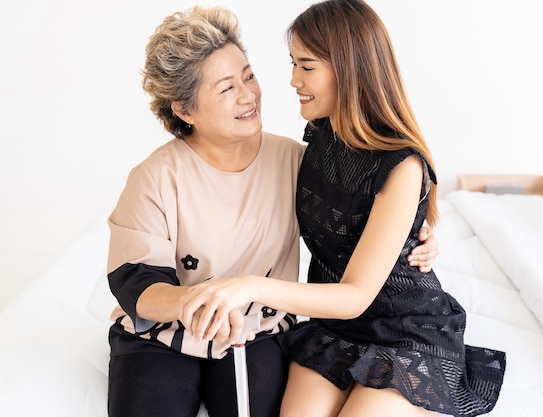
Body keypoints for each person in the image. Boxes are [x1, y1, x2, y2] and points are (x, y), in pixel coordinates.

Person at [106, 5, 439, 417]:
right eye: (226, 88)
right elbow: (135, 282)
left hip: (257, 331)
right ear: (184, 109)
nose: (249, 95)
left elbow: (360, 203)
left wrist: (416, 231)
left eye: (248, 76)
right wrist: (203, 303)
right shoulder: (155, 177)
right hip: (161, 335)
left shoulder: (298, 162)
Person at [182, 1, 506, 417]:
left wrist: (249, 286)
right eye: (293, 64)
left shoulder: (401, 165)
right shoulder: (321, 132)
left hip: (403, 331)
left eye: (306, 66)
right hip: (335, 326)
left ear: (350, 68)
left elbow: (355, 294)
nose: (293, 79)